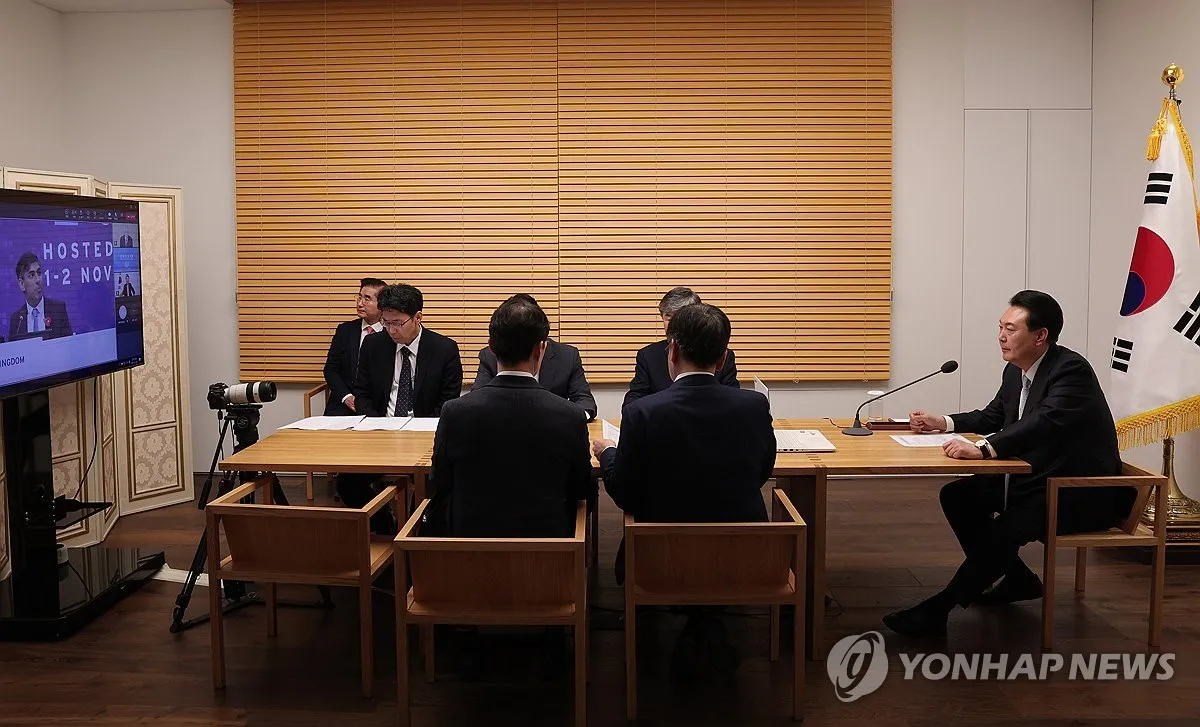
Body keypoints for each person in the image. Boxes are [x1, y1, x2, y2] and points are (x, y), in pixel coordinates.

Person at [883, 290, 1134, 638]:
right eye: (1000, 327)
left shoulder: (1070, 371)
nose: (1001, 336)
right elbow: (995, 415)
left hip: (1081, 491)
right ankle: (1018, 578)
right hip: (1038, 479)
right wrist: (943, 422)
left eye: (1011, 329)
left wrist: (985, 450)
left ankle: (940, 609)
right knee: (958, 496)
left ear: (1040, 335)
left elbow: (1044, 421)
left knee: (1012, 524)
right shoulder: (1016, 371)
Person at [593, 302, 776, 682]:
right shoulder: (755, 406)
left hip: (660, 558)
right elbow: (761, 471)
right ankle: (705, 623)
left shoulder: (643, 413)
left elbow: (624, 492)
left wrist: (608, 453)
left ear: (671, 351)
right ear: (723, 358)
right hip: (744, 556)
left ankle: (697, 625)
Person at [428, 295, 593, 680]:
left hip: (471, 554)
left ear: (490, 347)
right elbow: (582, 488)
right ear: (541, 349)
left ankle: (465, 634)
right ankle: (553, 637)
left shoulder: (456, 413)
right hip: (547, 558)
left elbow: (440, 484)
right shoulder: (569, 417)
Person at [337, 283, 463, 531]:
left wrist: (418, 429)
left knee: (432, 490)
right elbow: (362, 393)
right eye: (387, 322)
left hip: (426, 437)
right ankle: (385, 525)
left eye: (398, 323)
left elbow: (448, 401)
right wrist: (380, 425)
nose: (392, 330)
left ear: (418, 318)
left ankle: (417, 536)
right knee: (347, 483)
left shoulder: (444, 349)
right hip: (380, 435)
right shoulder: (374, 345)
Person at [470, 293, 597, 420]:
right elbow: (476, 400)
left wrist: (571, 420)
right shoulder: (489, 355)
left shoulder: (568, 356)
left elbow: (585, 401)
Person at [623, 286, 738, 411]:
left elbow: (733, 399)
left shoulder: (718, 352)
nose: (673, 324)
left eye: (680, 316)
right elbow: (632, 403)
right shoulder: (648, 355)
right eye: (668, 316)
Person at [321, 277, 387, 416]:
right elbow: (330, 369)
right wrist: (346, 397)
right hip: (343, 403)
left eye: (367, 299)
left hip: (376, 405)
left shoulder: (391, 333)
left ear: (382, 304)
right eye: (359, 297)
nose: (360, 304)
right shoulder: (345, 330)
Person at [9, 252, 72, 340]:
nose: (38, 280)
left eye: (39, 273)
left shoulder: (58, 310)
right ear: (22, 284)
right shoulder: (17, 320)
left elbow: (68, 347)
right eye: (31, 275)